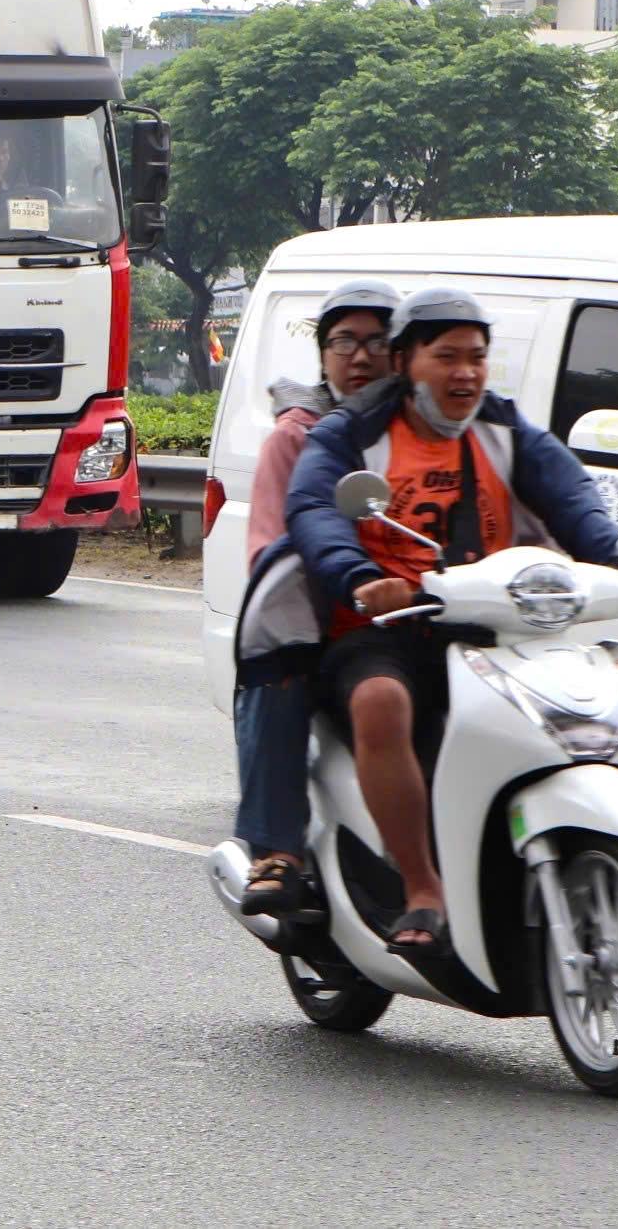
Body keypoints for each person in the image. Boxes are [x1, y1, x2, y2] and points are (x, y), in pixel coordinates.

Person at [277, 285, 618, 956]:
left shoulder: (504, 429)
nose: (466, 372)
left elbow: (574, 499)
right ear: (406, 360)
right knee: (382, 701)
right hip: (388, 631)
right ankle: (421, 886)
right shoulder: (354, 432)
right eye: (446, 356)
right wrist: (360, 579)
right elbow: (315, 508)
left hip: (494, 626)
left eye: (476, 356)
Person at [233, 279, 397, 919]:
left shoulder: (422, 430)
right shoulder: (300, 438)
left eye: (377, 342)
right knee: (279, 672)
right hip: (326, 625)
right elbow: (271, 549)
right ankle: (277, 850)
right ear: (323, 355)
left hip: (418, 615)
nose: (361, 357)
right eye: (344, 342)